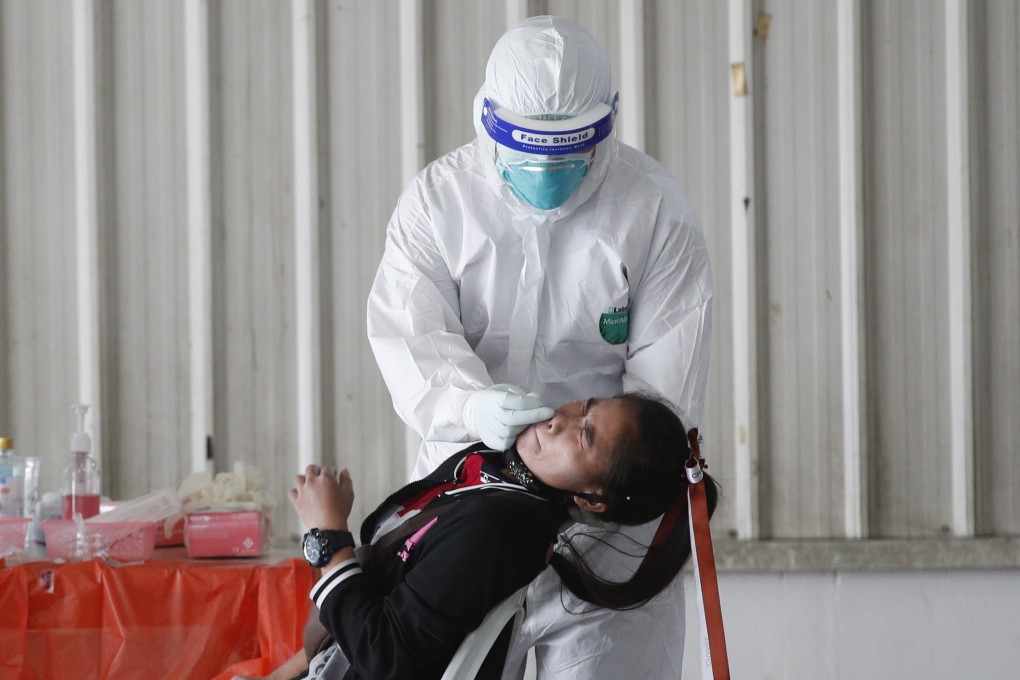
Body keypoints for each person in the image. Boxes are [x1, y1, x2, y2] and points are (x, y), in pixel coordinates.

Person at [366, 15, 713, 679]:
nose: (546, 173)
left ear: (607, 125)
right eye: (526, 152)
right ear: (485, 119)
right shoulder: (439, 206)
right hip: (470, 503)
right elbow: (410, 339)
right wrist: (471, 410)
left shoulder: (654, 212)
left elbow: (663, 401)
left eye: (568, 153)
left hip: (607, 524)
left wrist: (595, 484)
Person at [237, 393, 717, 680]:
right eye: (584, 407)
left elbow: (387, 656)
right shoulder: (499, 475)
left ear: (593, 500)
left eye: (584, 436)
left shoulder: (498, 530)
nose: (559, 420)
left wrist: (328, 537)